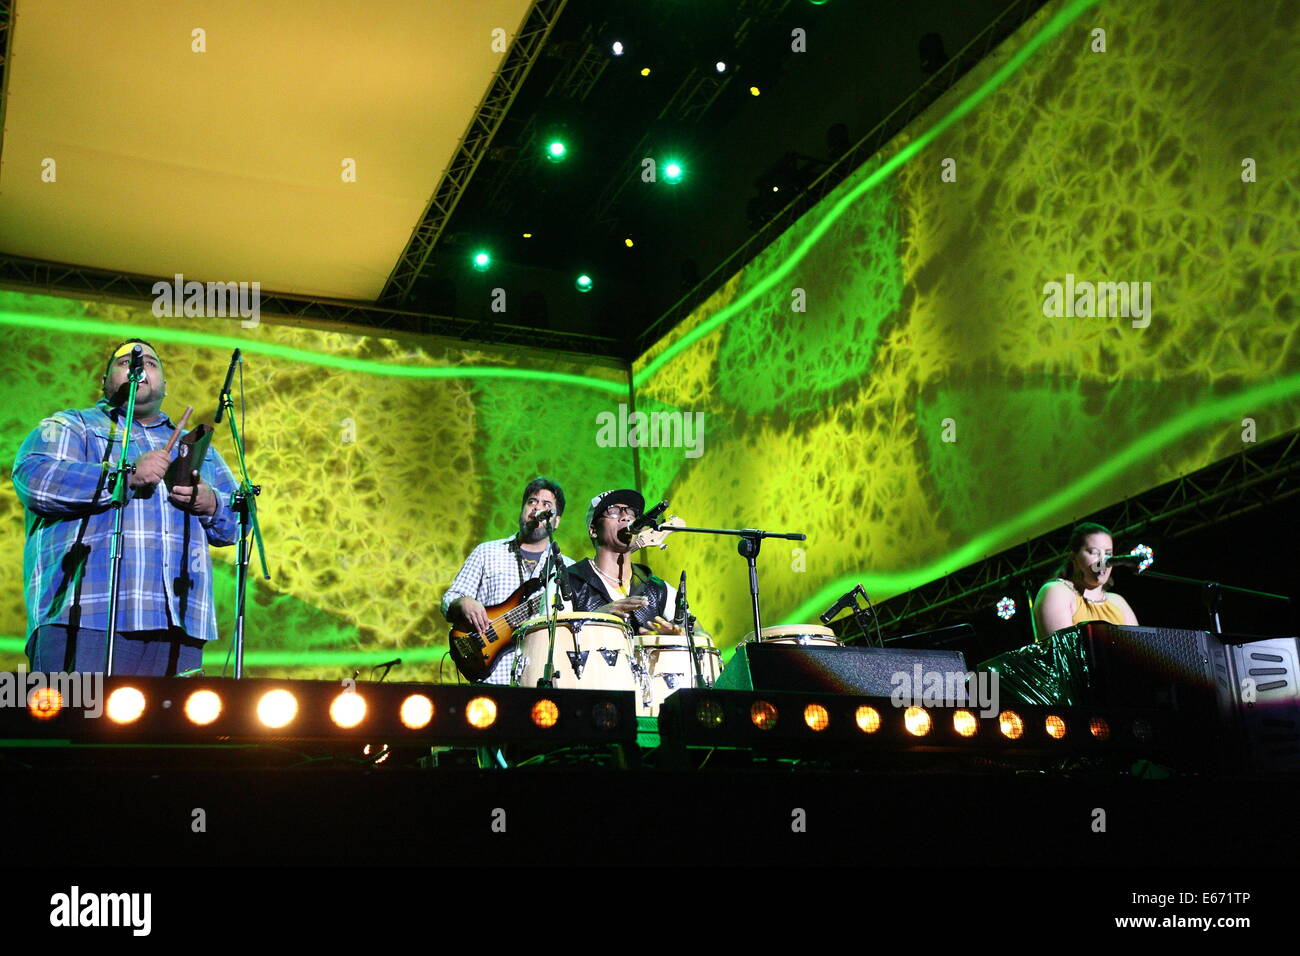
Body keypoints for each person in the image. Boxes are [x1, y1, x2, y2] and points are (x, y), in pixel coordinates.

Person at [12, 339, 241, 675]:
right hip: (84, 615)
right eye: (125, 363)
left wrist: (212, 503)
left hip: (178, 623)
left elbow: (239, 523)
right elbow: (35, 479)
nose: (138, 368)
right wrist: (127, 475)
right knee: (77, 723)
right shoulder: (73, 425)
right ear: (104, 382)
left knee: (168, 728)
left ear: (164, 384)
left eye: (149, 362)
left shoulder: (197, 447)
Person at [441, 476, 577, 684]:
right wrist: (463, 603)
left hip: (541, 681)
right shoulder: (487, 552)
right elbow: (449, 599)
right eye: (531, 502)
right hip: (494, 679)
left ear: (556, 521)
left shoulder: (567, 569)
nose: (537, 508)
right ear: (522, 510)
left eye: (546, 505)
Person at [565, 489, 688, 637]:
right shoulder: (567, 582)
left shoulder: (658, 589)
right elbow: (549, 640)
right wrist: (595, 618)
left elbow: (703, 638)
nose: (626, 517)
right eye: (613, 511)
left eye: (631, 513)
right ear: (593, 530)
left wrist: (679, 639)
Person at [1033, 522, 1139, 640]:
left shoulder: (1118, 602)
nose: (1103, 560)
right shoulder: (1056, 591)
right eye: (1094, 552)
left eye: (1108, 553)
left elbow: (1136, 651)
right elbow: (1064, 653)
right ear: (1074, 557)